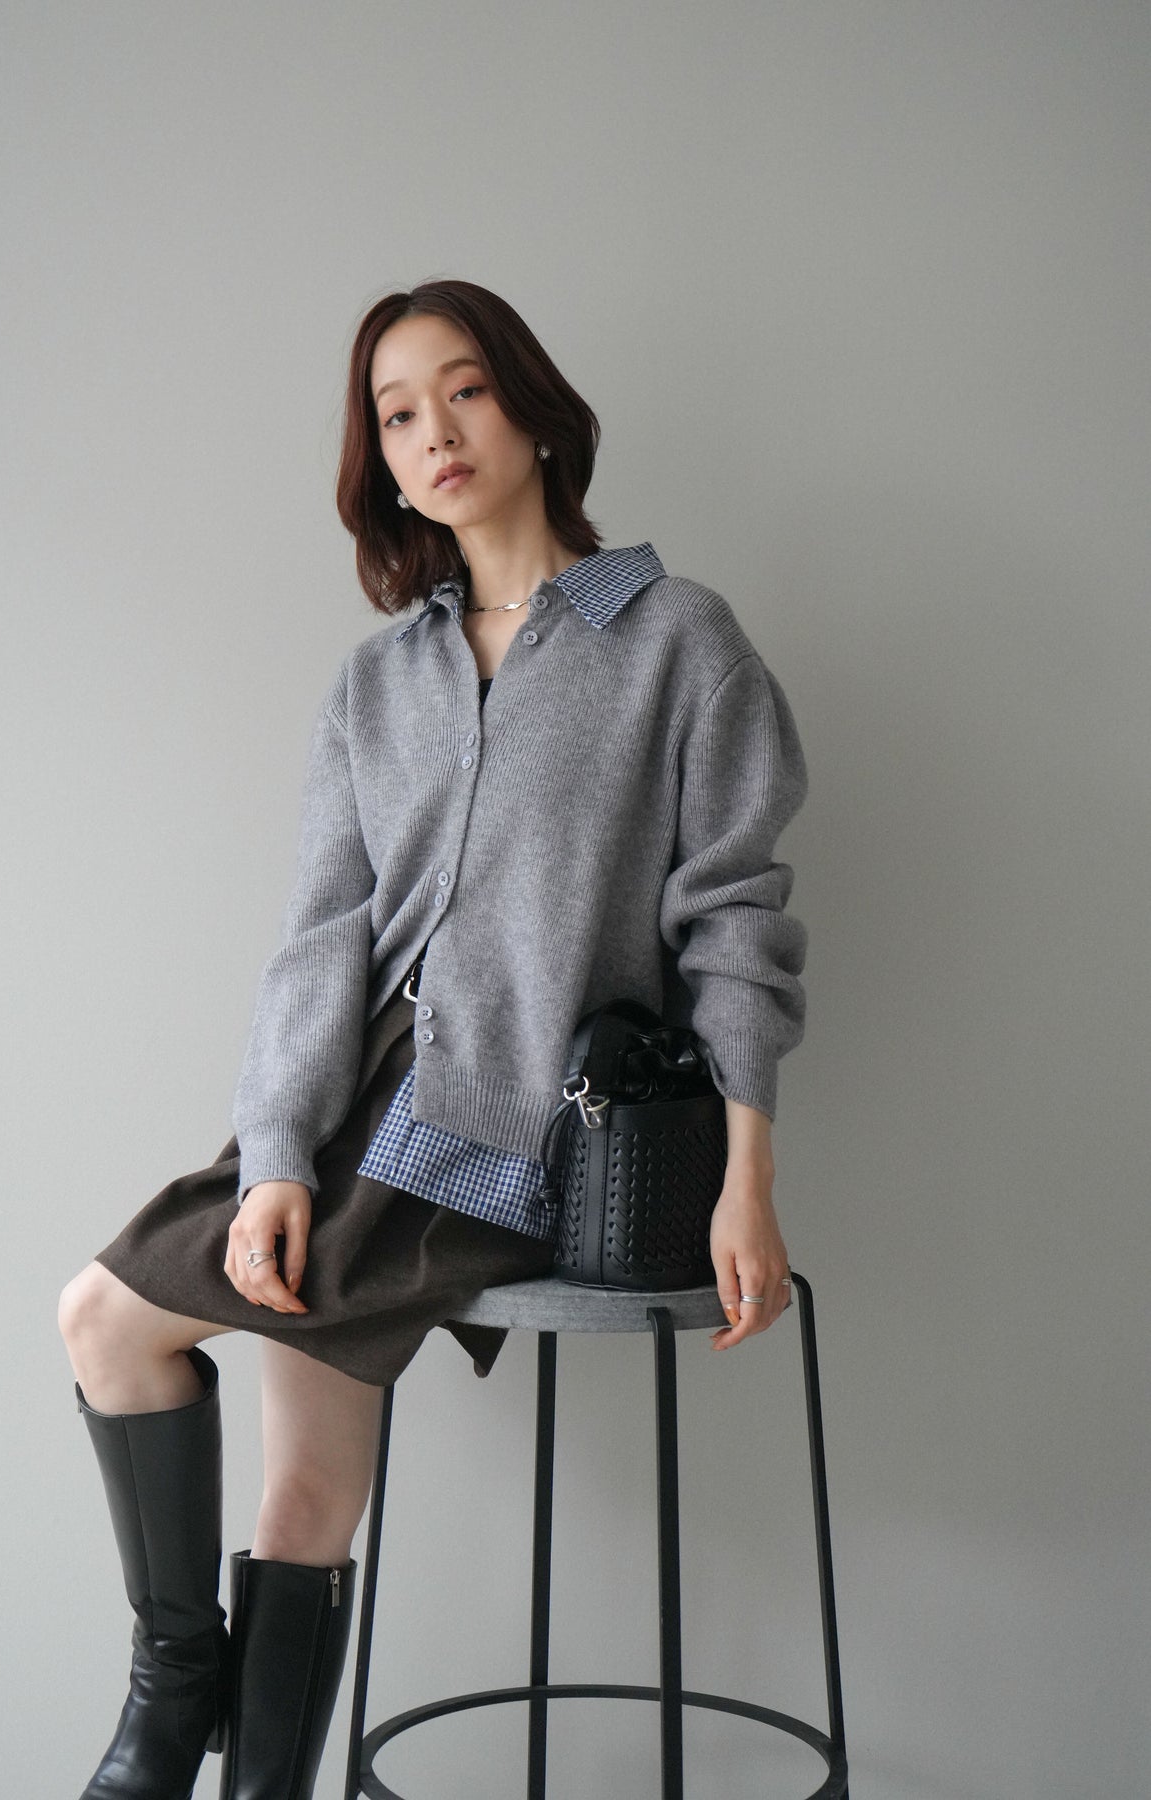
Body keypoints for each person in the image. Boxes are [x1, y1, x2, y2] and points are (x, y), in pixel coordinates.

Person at [57, 276, 808, 1800]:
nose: (435, 434)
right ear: (383, 466)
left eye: (462, 391)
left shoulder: (678, 642)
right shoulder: (376, 681)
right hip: (353, 1117)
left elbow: (733, 926)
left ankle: (164, 1712)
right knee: (269, 1471)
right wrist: (276, 1156)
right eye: (397, 416)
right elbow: (319, 941)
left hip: (518, 1127)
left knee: (125, 1334)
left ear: (532, 408)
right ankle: (216, 1737)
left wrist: (747, 1178)